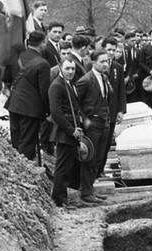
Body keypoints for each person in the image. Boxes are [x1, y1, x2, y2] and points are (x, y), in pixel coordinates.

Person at [5, 30, 51, 161]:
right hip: (31, 109)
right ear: (42, 43)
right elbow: (44, 92)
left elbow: (6, 78)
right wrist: (48, 112)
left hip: (14, 105)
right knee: (27, 145)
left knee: (16, 142)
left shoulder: (16, 56)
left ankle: (14, 171)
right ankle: (25, 174)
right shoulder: (43, 64)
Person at [76, 49, 112, 204]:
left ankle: (91, 189)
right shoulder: (85, 80)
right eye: (102, 61)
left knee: (98, 158)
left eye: (107, 61)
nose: (105, 64)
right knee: (89, 158)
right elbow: (76, 104)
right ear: (93, 62)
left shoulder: (104, 78)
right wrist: (85, 121)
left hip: (103, 122)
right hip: (92, 122)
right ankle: (86, 192)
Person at [48, 58, 83, 208]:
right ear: (60, 68)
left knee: (69, 165)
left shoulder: (69, 84)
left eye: (73, 69)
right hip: (63, 132)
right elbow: (56, 113)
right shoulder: (57, 85)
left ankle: (65, 196)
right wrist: (71, 130)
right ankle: (59, 199)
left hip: (72, 130)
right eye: (67, 68)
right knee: (62, 166)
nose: (70, 72)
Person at [100, 38, 127, 172]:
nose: (111, 53)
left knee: (107, 143)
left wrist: (121, 110)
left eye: (113, 50)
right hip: (99, 111)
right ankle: (95, 170)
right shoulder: (96, 66)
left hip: (113, 110)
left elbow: (121, 90)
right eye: (108, 50)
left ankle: (101, 169)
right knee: (99, 141)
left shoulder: (118, 67)